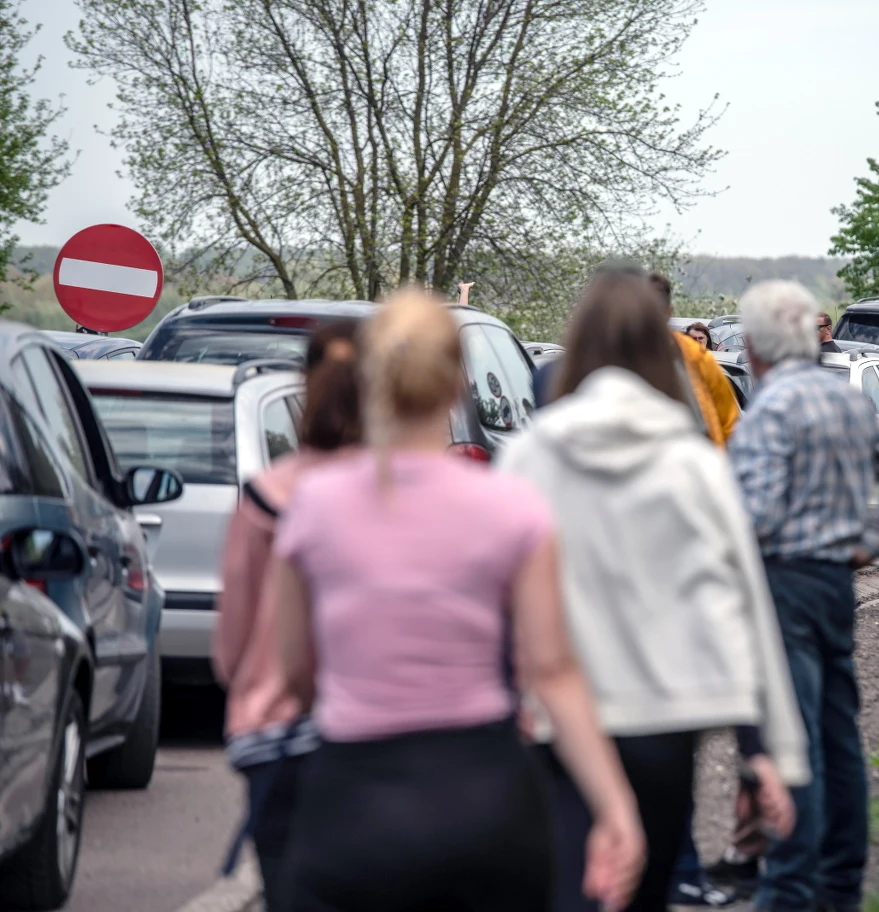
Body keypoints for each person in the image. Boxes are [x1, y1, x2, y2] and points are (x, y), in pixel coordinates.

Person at [273, 288, 645, 912]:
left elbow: (294, 668)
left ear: (368, 385)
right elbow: (551, 670)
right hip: (486, 794)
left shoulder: (313, 506)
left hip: (353, 796)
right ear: (456, 389)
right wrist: (615, 806)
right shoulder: (511, 506)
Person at [500, 270, 806, 912]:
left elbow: (496, 598)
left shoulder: (530, 458)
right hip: (667, 723)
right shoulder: (694, 464)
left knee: (570, 886)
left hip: (562, 723)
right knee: (647, 891)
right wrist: (762, 748)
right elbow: (740, 603)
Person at [729, 280, 879, 912]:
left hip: (782, 582)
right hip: (835, 581)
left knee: (794, 738)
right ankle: (841, 881)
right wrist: (873, 539)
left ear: (756, 346)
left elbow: (752, 514)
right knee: (838, 734)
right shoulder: (844, 400)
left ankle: (787, 890)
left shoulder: (769, 409)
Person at [212, 319, 363, 911]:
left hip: (276, 734)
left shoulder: (269, 495)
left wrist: (256, 687)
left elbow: (233, 643)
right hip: (384, 737)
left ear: (308, 385)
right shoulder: (403, 490)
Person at [649, 272, 741, 446]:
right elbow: (729, 426)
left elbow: (729, 425)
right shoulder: (699, 358)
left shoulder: (698, 357)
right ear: (669, 312)